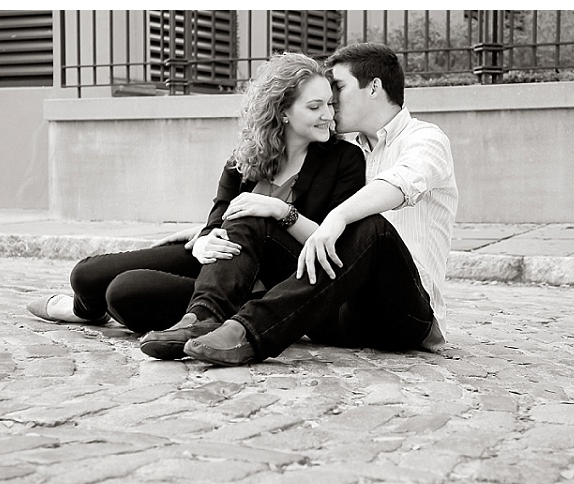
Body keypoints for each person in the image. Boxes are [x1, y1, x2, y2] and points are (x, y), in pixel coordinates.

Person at [144, 42, 458, 366]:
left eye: (338, 88)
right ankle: (201, 318)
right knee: (253, 210)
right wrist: (209, 228)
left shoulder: (425, 140)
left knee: (373, 228)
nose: (331, 103)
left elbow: (401, 182)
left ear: (374, 87)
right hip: (342, 314)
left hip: (403, 313)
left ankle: (246, 333)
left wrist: (338, 217)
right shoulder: (348, 151)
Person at [26, 52, 365, 342]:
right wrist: (204, 239)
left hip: (270, 282)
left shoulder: (343, 160)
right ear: (282, 111)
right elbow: (219, 215)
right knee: (86, 275)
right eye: (315, 106)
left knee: (124, 292)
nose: (329, 115)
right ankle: (84, 311)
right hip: (220, 259)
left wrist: (279, 211)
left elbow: (334, 242)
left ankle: (223, 315)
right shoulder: (247, 156)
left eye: (330, 105)